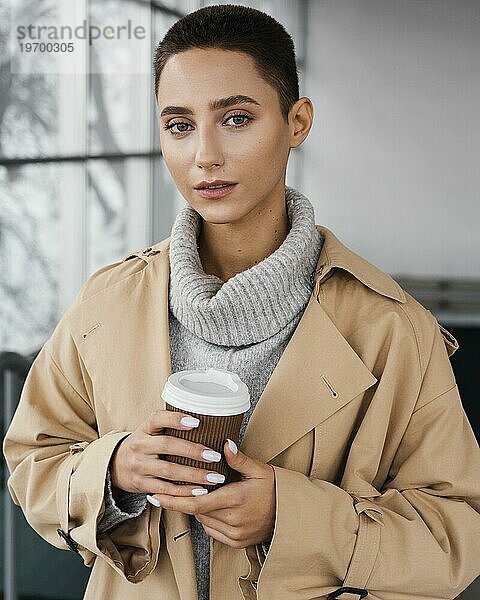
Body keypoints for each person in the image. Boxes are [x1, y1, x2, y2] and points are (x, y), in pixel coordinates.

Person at [3, 4, 480, 600]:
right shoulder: (107, 304)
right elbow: (33, 461)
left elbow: (456, 534)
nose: (205, 154)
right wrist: (116, 470)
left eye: (235, 119)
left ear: (297, 121)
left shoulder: (391, 329)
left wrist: (293, 517)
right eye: (178, 125)